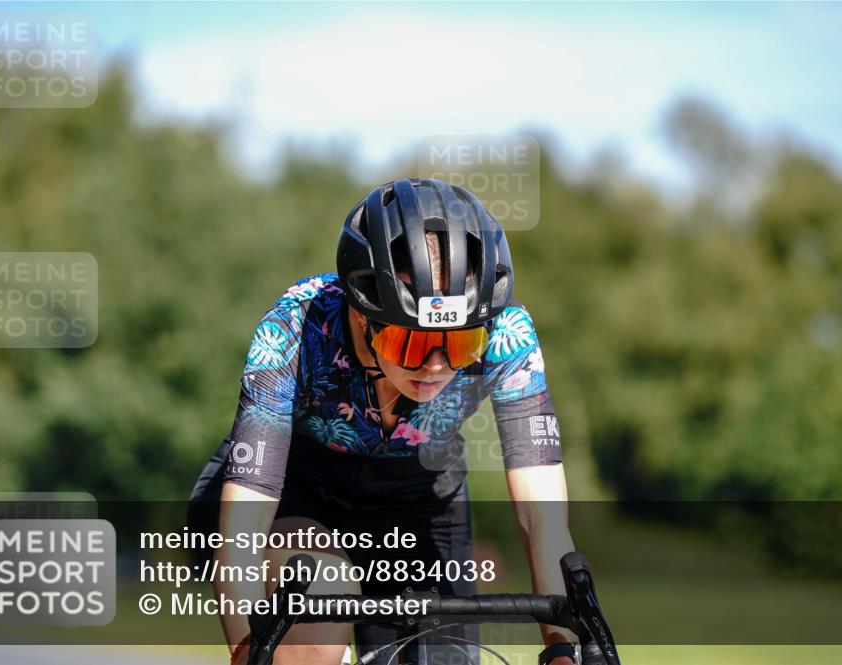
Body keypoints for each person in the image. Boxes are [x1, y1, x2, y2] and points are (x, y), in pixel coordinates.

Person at [189, 178, 578, 665]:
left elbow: (543, 519)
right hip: (296, 493)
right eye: (412, 343)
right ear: (361, 316)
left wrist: (564, 647)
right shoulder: (294, 328)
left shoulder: (507, 335)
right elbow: (244, 527)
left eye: (461, 344)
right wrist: (247, 647)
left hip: (417, 504)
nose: (437, 365)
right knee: (316, 620)